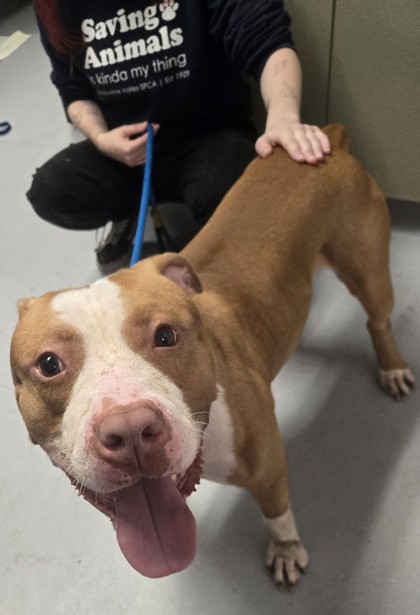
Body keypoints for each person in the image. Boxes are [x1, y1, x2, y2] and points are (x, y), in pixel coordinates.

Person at [28, 0, 331, 274]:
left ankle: (216, 237)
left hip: (209, 135)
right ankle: (130, 211)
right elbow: (72, 89)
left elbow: (265, 38)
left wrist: (283, 118)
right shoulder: (52, 6)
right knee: (51, 189)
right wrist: (102, 139)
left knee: (234, 195)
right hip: (127, 151)